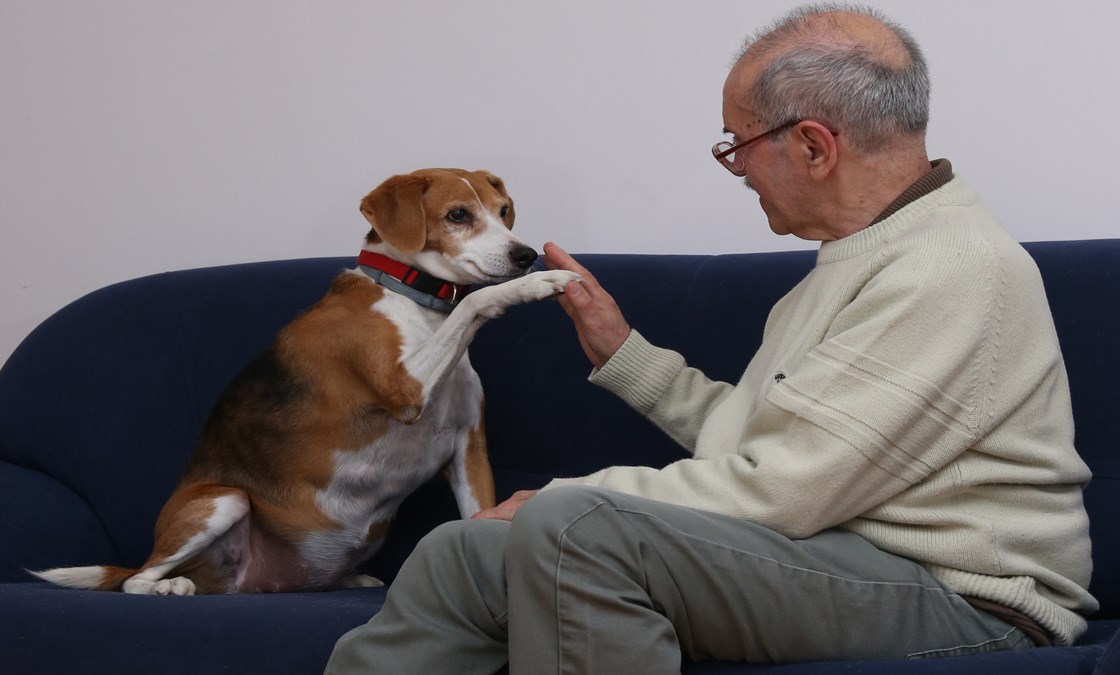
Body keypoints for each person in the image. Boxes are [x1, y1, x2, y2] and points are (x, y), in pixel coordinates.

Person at [324, 4, 1096, 672]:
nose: (737, 170)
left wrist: (558, 497)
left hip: (970, 601)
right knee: (460, 554)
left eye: (737, 146)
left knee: (576, 528)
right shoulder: (857, 261)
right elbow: (764, 450)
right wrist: (624, 354)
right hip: (845, 553)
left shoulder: (949, 268)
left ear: (814, 147)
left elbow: (782, 488)